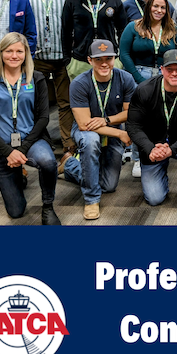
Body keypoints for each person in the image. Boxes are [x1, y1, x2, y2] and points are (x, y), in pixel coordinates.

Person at [0, 32, 60, 225]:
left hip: (31, 140)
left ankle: (48, 206)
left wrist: (21, 150)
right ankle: (16, 175)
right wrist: (9, 152)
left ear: (26, 54)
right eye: (9, 51)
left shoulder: (36, 78)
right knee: (16, 211)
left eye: (19, 51)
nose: (14, 56)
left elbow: (43, 118)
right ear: (1, 53)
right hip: (1, 147)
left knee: (48, 162)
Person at [58, 40, 135, 220]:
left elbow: (130, 112)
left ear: (115, 59)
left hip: (111, 128)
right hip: (87, 131)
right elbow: (84, 124)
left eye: (108, 59)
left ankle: (70, 165)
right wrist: (120, 133)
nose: (104, 64)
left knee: (108, 186)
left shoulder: (125, 79)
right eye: (98, 59)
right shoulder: (79, 83)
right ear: (89, 60)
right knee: (91, 140)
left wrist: (107, 120)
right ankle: (91, 199)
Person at [126, 50, 177, 208]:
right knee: (154, 199)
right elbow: (133, 126)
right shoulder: (144, 90)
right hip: (153, 146)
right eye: (170, 69)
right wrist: (150, 148)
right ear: (162, 69)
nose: (174, 73)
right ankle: (160, 173)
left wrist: (171, 149)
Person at [120, 0, 177, 177]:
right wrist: (138, 79)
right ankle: (138, 158)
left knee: (162, 117)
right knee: (139, 118)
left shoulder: (173, 30)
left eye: (163, 7)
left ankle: (162, 152)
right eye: (156, 6)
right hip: (138, 74)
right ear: (149, 7)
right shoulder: (133, 27)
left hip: (165, 76)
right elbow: (124, 54)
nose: (159, 10)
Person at [19, 0, 75, 154]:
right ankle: (38, 141)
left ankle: (68, 143)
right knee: (34, 102)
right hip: (36, 59)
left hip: (63, 58)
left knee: (66, 102)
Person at [61, 0, 128, 81]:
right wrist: (68, 62)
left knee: (109, 92)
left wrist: (121, 59)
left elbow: (123, 31)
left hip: (108, 60)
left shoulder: (113, 0)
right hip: (80, 62)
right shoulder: (72, 1)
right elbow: (65, 32)